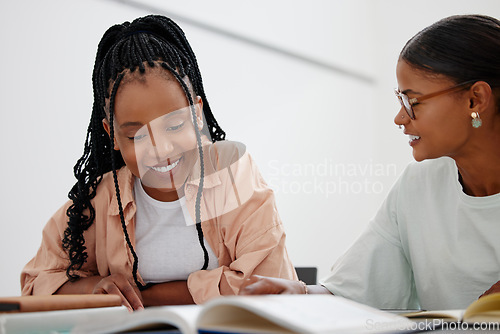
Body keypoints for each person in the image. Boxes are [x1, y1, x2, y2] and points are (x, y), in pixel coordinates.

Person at [21, 14, 297, 311]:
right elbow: (36, 283)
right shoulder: (100, 199)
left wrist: (143, 298)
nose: (161, 149)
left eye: (175, 126)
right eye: (136, 135)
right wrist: (94, 287)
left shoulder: (234, 175)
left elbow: (269, 285)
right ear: (112, 135)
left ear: (197, 114)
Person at [239, 14, 500, 311]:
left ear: (475, 100)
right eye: (400, 100)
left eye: (412, 102)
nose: (400, 118)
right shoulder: (417, 185)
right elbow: (355, 290)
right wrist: (300, 295)